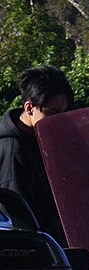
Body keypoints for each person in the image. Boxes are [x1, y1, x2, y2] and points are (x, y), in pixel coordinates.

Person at [0, 64, 72, 239]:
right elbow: (19, 224)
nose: (57, 121)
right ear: (29, 108)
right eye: (52, 113)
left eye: (63, 114)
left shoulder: (45, 140)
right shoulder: (13, 152)